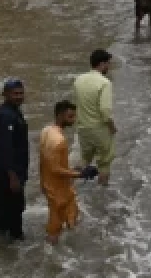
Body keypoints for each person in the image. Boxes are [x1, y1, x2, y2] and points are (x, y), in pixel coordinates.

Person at [39, 100, 95, 245]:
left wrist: (42, 182)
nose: (73, 120)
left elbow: (43, 160)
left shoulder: (46, 131)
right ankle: (54, 255)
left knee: (72, 216)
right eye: (70, 117)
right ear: (60, 115)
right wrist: (81, 174)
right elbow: (55, 169)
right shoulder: (59, 140)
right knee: (55, 226)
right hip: (58, 188)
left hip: (51, 184)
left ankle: (69, 251)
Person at [0, 78, 29, 240]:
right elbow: (6, 147)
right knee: (14, 206)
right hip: (6, 170)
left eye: (21, 93)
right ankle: (15, 240)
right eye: (15, 94)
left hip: (4, 167)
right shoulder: (6, 116)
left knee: (3, 203)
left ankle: (0, 237)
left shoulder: (12, 111)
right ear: (5, 94)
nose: (19, 97)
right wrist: (13, 176)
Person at [74, 49, 116, 187]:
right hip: (99, 129)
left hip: (82, 128)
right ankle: (102, 193)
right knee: (104, 162)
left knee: (85, 158)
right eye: (108, 64)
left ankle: (69, 183)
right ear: (102, 64)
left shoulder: (78, 80)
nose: (109, 67)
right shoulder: (104, 83)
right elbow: (105, 111)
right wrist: (112, 127)